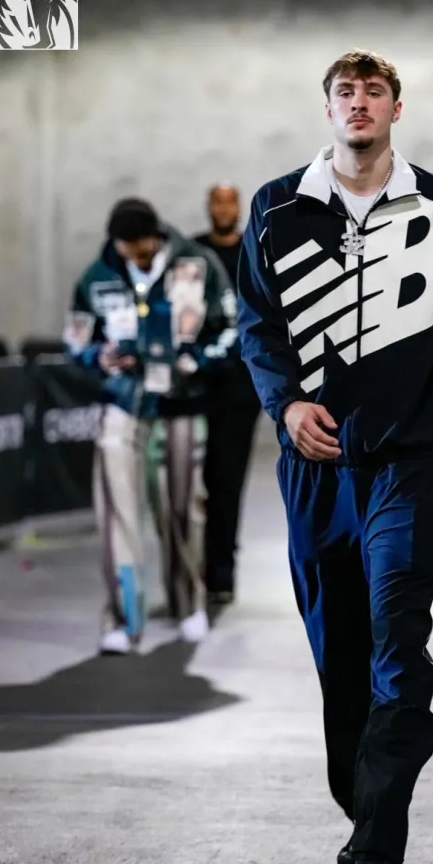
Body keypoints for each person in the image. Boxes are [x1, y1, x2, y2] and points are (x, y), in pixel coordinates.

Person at [237, 50, 433, 864]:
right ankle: (364, 809)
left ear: (398, 107)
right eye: (344, 92)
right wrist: (286, 405)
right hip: (316, 475)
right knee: (343, 661)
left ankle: (376, 857)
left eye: (373, 92)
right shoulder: (277, 209)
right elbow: (257, 326)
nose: (358, 103)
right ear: (327, 108)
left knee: (398, 644)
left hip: (409, 467)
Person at [64, 198, 237, 655]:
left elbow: (232, 327)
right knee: (117, 514)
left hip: (182, 404)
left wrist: (197, 360)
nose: (135, 255)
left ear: (155, 236)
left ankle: (189, 603)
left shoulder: (197, 265)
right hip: (122, 405)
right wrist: (98, 357)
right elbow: (75, 338)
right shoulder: (98, 276)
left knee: (183, 511)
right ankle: (124, 620)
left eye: (141, 246)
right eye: (127, 248)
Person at [193, 184, 262, 604]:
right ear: (209, 207)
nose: (222, 209)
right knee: (190, 484)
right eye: (216, 201)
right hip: (194, 386)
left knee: (227, 480)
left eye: (229, 202)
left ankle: (221, 572)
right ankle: (190, 568)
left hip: (240, 386)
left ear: (237, 208)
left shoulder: (254, 252)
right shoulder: (192, 253)